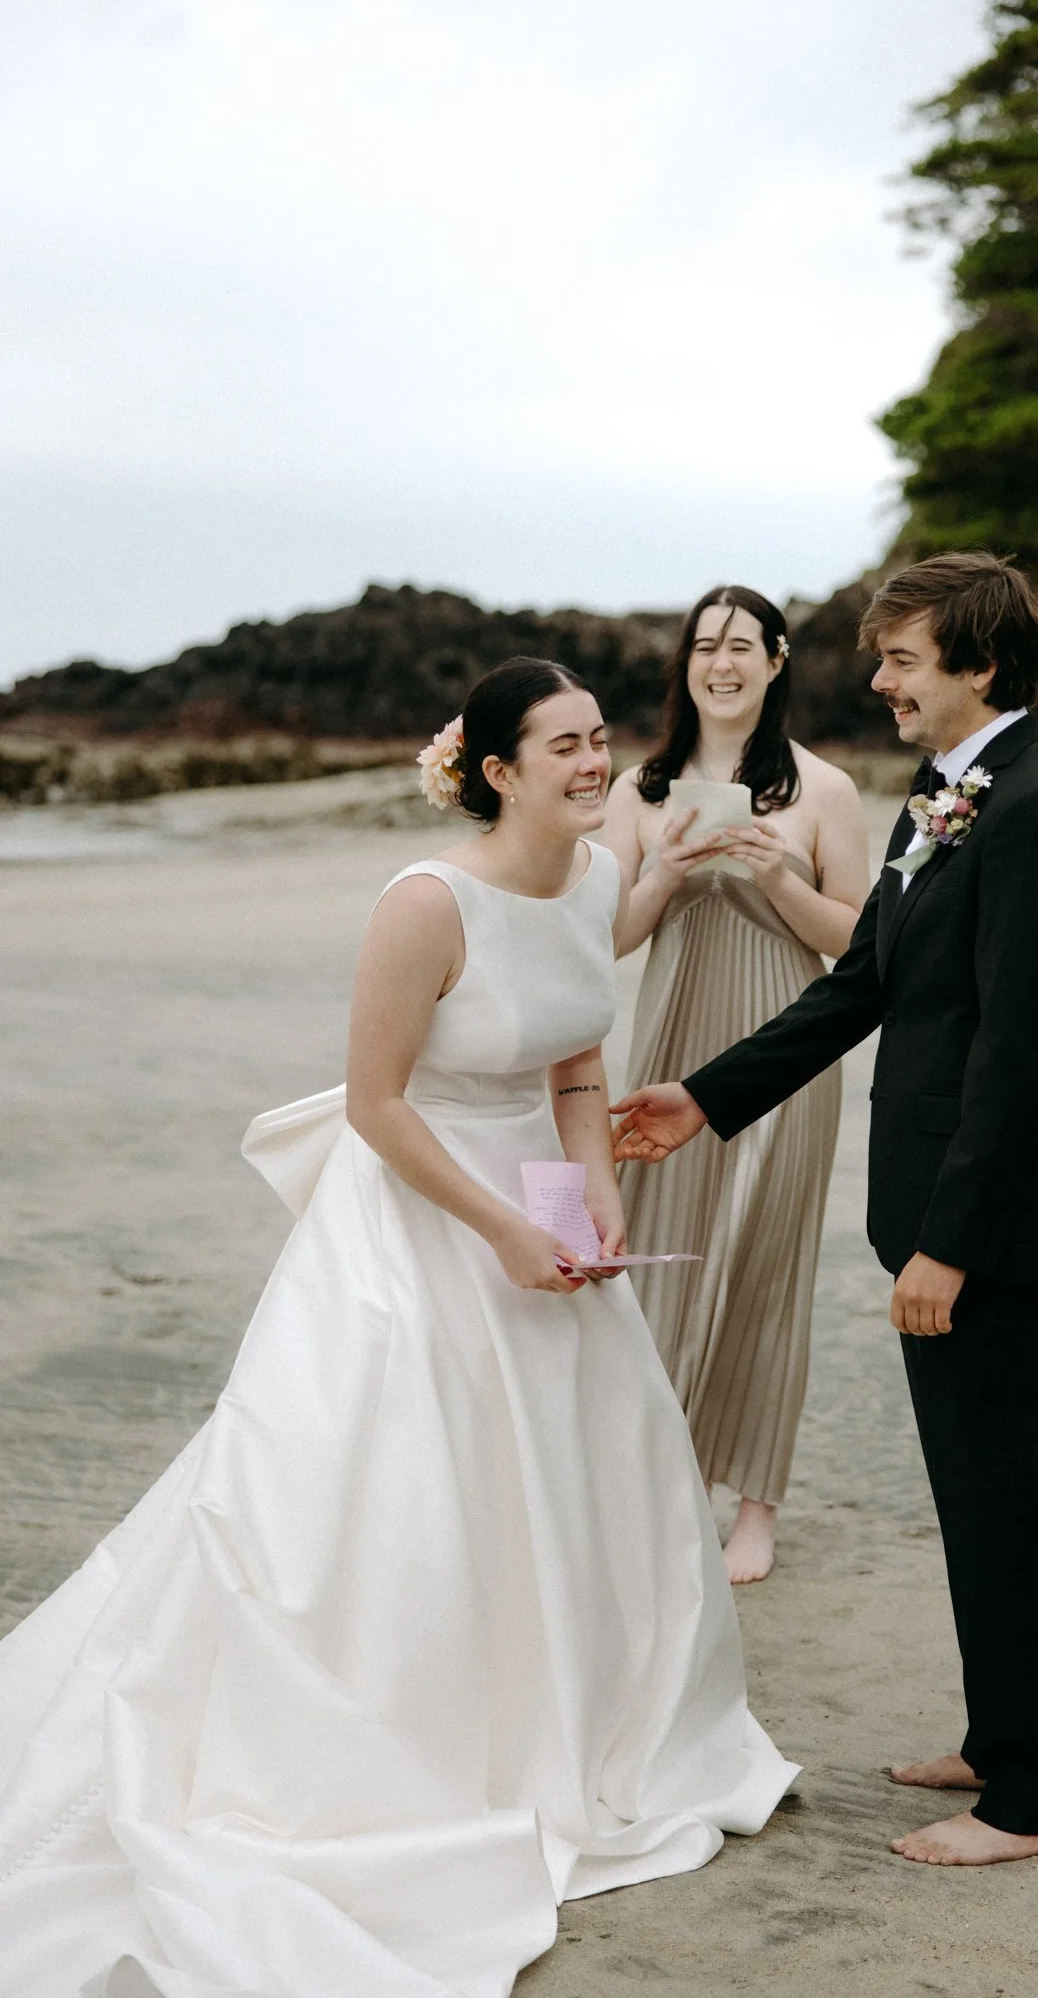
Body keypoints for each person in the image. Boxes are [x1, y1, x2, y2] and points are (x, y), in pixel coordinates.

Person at [0, 658, 796, 1998]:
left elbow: (576, 1068)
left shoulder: (598, 883)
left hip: (541, 1213)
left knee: (581, 1472)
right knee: (395, 1499)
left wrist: (589, 1204)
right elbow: (376, 1105)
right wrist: (500, 1230)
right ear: (492, 769)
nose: (595, 765)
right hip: (419, 1220)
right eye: (563, 747)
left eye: (600, 739)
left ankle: (579, 1736)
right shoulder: (425, 904)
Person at [612, 552, 1038, 1870]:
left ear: (977, 667)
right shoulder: (941, 798)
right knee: (967, 1489)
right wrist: (700, 1101)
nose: (876, 679)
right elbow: (860, 984)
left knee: (993, 1492)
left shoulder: (1034, 811)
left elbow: (1023, 1056)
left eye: (899, 659)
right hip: (942, 1212)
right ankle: (1000, 1735)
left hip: (997, 1225)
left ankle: (1029, 1800)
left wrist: (945, 1242)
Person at [603, 588, 870, 1585]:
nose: (720, 663)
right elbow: (613, 940)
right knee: (656, 1253)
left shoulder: (823, 791)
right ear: (686, 664)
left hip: (787, 1050)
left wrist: (780, 881)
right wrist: (661, 875)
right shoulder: (640, 788)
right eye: (704, 646)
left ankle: (756, 1507)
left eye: (740, 647)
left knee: (766, 1260)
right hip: (669, 1040)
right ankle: (661, 1479)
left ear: (776, 660)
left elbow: (863, 943)